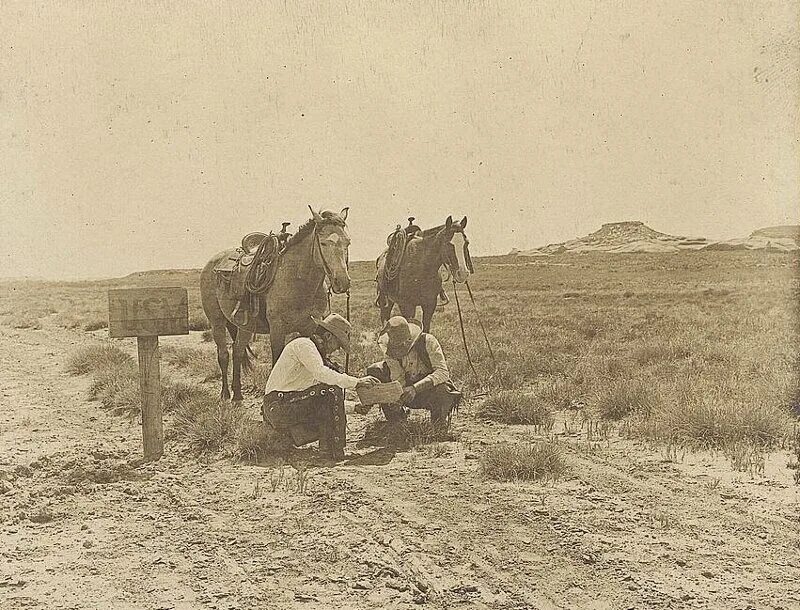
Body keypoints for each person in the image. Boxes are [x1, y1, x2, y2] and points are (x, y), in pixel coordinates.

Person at [262, 313, 379, 460]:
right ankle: (333, 451)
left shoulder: (314, 354)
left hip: (283, 406)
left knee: (327, 392)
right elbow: (322, 375)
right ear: (328, 337)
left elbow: (321, 400)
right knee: (331, 388)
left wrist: (353, 408)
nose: (336, 350)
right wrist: (356, 382)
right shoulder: (304, 345)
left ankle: (291, 438)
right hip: (278, 406)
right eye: (338, 344)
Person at [362, 316, 462, 428]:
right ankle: (397, 419)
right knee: (375, 370)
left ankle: (438, 423)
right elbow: (398, 378)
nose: (398, 350)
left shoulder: (428, 342)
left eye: (400, 346)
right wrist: (397, 397)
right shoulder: (390, 352)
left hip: (428, 389)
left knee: (442, 388)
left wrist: (415, 388)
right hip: (408, 390)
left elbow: (442, 373)